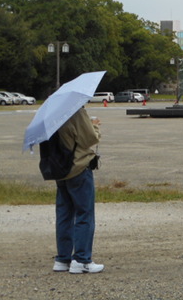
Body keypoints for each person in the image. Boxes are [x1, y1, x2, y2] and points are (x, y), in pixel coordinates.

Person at [51, 107, 104, 274]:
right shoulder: (75, 111)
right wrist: (94, 125)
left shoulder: (54, 112)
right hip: (79, 167)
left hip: (61, 169)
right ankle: (81, 260)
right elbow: (89, 139)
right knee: (84, 213)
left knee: (64, 214)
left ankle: (63, 259)